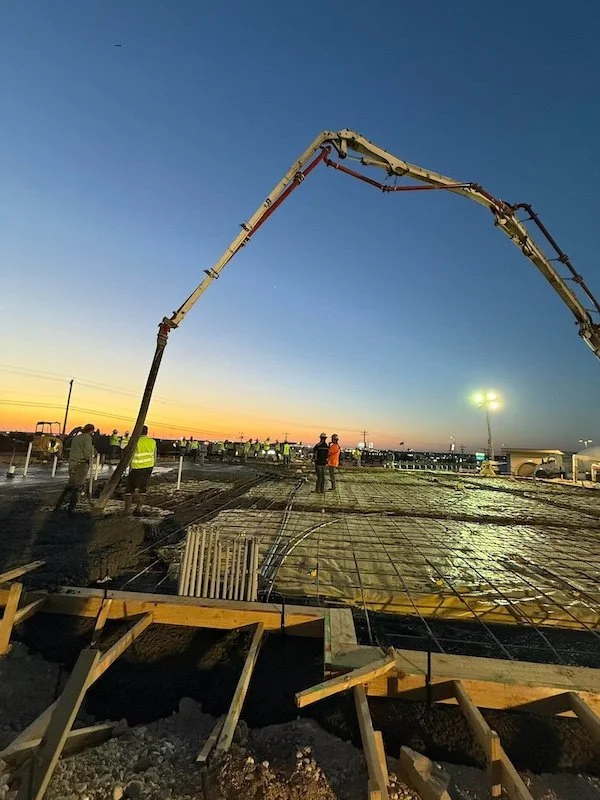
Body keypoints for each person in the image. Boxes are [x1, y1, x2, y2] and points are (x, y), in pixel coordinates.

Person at [54, 423, 95, 514]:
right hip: (81, 463)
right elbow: (87, 452)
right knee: (78, 487)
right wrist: (89, 460)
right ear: (91, 430)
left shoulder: (76, 438)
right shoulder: (87, 438)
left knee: (70, 484)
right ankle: (71, 509)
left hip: (73, 462)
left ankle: (58, 505)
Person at [125, 425, 157, 516]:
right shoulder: (152, 442)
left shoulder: (134, 441)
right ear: (147, 432)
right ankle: (138, 508)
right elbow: (154, 455)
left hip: (136, 467)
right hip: (148, 468)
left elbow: (129, 454)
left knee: (129, 489)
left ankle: (127, 510)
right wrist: (153, 464)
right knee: (142, 489)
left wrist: (127, 465)